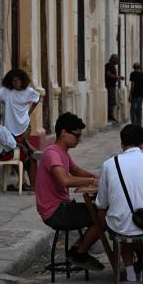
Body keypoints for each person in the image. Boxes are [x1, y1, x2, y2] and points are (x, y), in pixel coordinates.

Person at [95, 124, 143, 284]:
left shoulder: (109, 164)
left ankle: (130, 274)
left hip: (118, 226)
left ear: (122, 144)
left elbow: (101, 203)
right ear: (142, 143)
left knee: (122, 225)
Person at [35, 112, 104, 271]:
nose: (79, 140)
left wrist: (99, 177)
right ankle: (79, 252)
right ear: (64, 133)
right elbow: (65, 180)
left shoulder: (62, 152)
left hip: (63, 207)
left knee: (101, 210)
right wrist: (92, 181)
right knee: (104, 216)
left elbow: (76, 170)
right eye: (77, 135)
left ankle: (80, 249)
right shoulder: (52, 153)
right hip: (56, 212)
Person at [0, 68, 40, 189]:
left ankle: (28, 182)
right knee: (13, 151)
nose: (15, 83)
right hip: (9, 128)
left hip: (24, 126)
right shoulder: (6, 91)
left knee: (26, 152)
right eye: (13, 81)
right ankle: (22, 180)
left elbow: (37, 99)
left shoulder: (29, 91)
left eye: (17, 81)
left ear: (23, 81)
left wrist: (30, 111)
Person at [105, 54, 124, 122]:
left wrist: (118, 77)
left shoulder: (112, 66)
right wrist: (117, 77)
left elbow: (113, 75)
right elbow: (108, 74)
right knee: (111, 101)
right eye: (117, 60)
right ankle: (110, 116)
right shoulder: (109, 65)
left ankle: (111, 115)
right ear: (113, 59)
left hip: (112, 85)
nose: (118, 61)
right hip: (110, 86)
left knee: (112, 101)